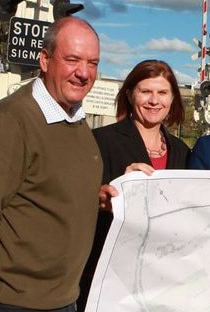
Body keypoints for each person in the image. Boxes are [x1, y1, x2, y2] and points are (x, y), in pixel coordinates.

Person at [0, 17, 102, 312]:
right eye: (72, 59)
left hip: (65, 299)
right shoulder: (11, 121)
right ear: (45, 59)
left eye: (92, 63)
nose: (83, 73)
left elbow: (52, 189)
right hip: (15, 303)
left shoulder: (75, 121)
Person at [78, 59, 191, 311]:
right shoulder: (100, 141)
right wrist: (110, 192)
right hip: (108, 277)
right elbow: (76, 198)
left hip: (161, 279)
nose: (154, 100)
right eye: (145, 91)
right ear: (129, 95)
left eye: (162, 93)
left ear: (173, 99)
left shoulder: (182, 152)